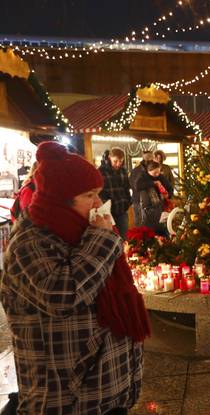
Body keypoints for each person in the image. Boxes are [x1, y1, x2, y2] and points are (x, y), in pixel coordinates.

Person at [0, 142, 150, 414]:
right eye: (89, 195)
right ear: (60, 199)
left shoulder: (82, 232)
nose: (98, 203)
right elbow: (63, 296)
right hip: (68, 400)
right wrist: (103, 240)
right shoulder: (31, 243)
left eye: (98, 194)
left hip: (105, 395)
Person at [99, 148, 132, 239]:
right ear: (109, 158)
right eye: (115, 161)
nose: (118, 164)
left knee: (124, 238)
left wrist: (128, 202)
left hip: (122, 210)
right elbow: (99, 192)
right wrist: (105, 204)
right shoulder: (101, 171)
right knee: (109, 238)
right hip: (108, 212)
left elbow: (126, 188)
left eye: (120, 161)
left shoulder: (123, 171)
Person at [135, 160, 170, 236]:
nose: (157, 175)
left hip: (160, 206)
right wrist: (153, 183)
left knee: (162, 227)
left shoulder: (160, 176)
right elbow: (137, 186)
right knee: (149, 230)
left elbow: (169, 187)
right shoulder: (142, 177)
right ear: (148, 171)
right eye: (155, 173)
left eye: (158, 172)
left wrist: (168, 195)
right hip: (148, 208)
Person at [129, 150, 154, 222]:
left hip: (141, 201)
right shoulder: (140, 171)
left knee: (141, 224)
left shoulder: (135, 170)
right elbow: (136, 186)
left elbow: (131, 184)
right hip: (141, 201)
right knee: (142, 224)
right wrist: (153, 183)